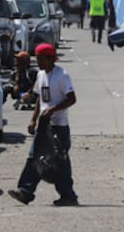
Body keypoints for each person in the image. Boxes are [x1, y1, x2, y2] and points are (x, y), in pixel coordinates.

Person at [9, 43, 79, 206]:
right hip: (44, 124)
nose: (38, 62)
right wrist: (34, 119)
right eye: (37, 58)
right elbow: (40, 99)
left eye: (41, 59)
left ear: (50, 59)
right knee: (34, 156)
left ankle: (68, 196)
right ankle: (25, 192)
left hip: (59, 126)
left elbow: (72, 99)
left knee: (59, 161)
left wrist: (53, 110)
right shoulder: (41, 75)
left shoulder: (62, 75)